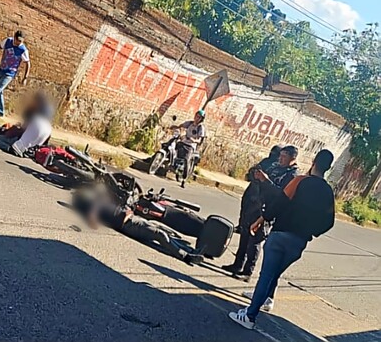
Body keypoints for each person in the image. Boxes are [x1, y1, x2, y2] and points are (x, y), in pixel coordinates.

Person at [228, 149, 336, 330]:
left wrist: (261, 219)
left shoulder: (300, 181)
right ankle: (266, 300)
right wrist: (311, 231)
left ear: (314, 161)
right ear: (329, 168)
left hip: (281, 235)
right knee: (275, 273)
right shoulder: (327, 192)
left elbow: (280, 202)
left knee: (267, 275)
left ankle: (250, 315)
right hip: (299, 243)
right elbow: (329, 222)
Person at [222, 145, 299, 282]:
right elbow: (256, 177)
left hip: (268, 211)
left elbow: (282, 195)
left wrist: (265, 180)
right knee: (245, 235)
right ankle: (237, 264)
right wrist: (257, 175)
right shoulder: (274, 166)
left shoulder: (291, 175)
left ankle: (247, 271)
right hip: (254, 204)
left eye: (284, 156)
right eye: (280, 155)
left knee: (255, 241)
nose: (280, 158)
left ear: (292, 158)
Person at [72, 188, 205, 265]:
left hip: (134, 218)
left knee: (163, 231)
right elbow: (92, 215)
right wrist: (93, 219)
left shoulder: (101, 200)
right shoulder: (93, 206)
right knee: (159, 235)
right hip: (128, 225)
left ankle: (190, 251)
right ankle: (186, 257)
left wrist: (129, 208)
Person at [0, 30, 30, 117]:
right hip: (1, 69)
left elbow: (27, 64)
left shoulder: (23, 50)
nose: (18, 42)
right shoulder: (7, 41)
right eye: (17, 40)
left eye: (21, 41)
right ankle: (1, 112)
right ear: (14, 37)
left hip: (10, 73)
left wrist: (25, 78)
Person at [171, 110, 207, 177]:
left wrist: (194, 140)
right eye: (196, 116)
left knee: (186, 159)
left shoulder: (200, 127)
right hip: (183, 142)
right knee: (170, 147)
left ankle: (185, 177)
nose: (197, 118)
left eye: (199, 117)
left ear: (201, 119)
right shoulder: (190, 123)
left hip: (191, 146)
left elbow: (200, 140)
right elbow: (181, 126)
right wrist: (175, 127)